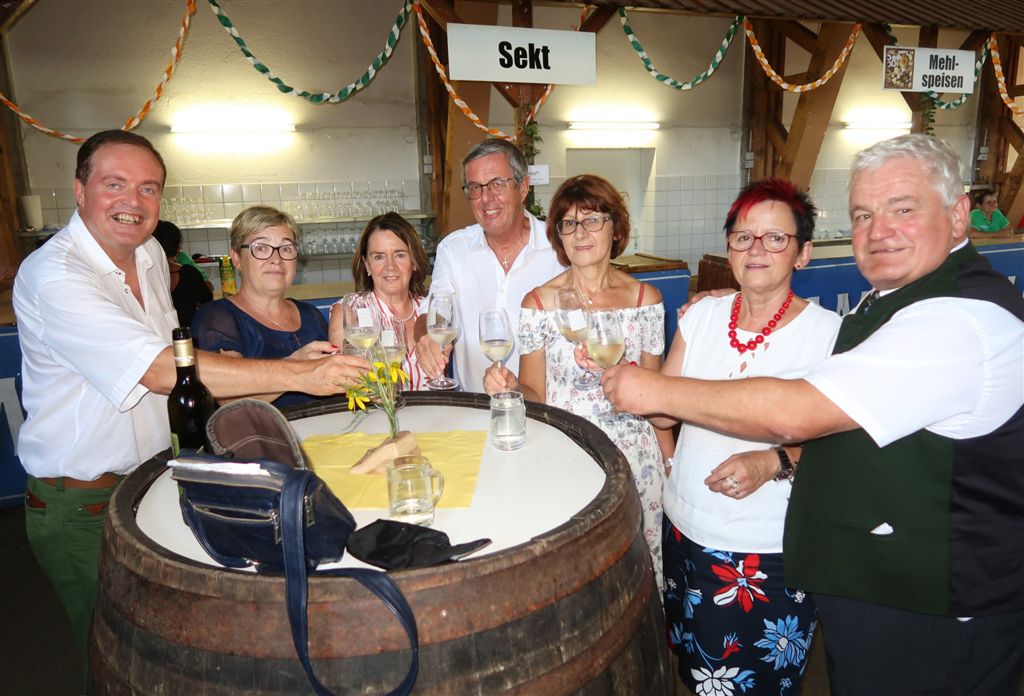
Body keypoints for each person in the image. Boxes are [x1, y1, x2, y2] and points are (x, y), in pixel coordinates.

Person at [601, 134, 1024, 695]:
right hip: (858, 581)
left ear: (958, 213)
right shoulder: (885, 303)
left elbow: (794, 413)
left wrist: (659, 392)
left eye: (903, 209)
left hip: (931, 605)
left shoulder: (955, 321)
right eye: (864, 215)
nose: (879, 230)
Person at [13, 130, 368, 667]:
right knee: (111, 653)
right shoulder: (55, 275)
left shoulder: (150, 255)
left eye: (148, 188)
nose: (134, 201)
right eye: (115, 184)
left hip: (154, 477)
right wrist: (303, 373)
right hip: (83, 500)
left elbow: (180, 372)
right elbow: (161, 371)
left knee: (163, 644)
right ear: (80, 190)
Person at [654, 179, 840, 695]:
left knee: (761, 682)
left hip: (766, 550)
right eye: (743, 237)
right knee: (698, 674)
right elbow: (663, 413)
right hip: (685, 533)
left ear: (803, 253)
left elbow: (846, 445)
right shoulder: (701, 316)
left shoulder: (829, 335)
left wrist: (772, 461)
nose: (756, 249)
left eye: (775, 238)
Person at [482, 174, 669, 590]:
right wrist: (511, 387)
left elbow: (659, 397)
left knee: (641, 571)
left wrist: (671, 463)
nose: (580, 233)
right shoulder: (538, 303)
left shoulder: (645, 300)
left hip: (637, 458)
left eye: (592, 220)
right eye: (569, 224)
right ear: (559, 237)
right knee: (581, 574)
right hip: (570, 453)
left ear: (615, 228)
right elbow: (535, 395)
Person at [414, 138, 564, 391]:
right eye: (475, 188)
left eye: (497, 184)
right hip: (475, 408)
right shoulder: (454, 249)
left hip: (547, 407)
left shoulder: (558, 248)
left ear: (523, 187)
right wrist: (428, 335)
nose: (486, 198)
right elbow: (434, 311)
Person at [191, 206, 338, 408]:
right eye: (261, 248)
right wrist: (296, 368)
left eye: (286, 248)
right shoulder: (217, 318)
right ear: (236, 258)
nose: (276, 259)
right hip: (263, 429)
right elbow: (229, 399)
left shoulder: (309, 314)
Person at [329, 212, 431, 389]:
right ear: (367, 265)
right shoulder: (350, 312)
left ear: (414, 261)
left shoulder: (430, 309)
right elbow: (345, 384)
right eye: (379, 257)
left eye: (400, 255)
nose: (390, 266)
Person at [152, 219, 212, 326]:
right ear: (178, 248)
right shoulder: (188, 274)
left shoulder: (141, 277)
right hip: (187, 335)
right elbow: (207, 301)